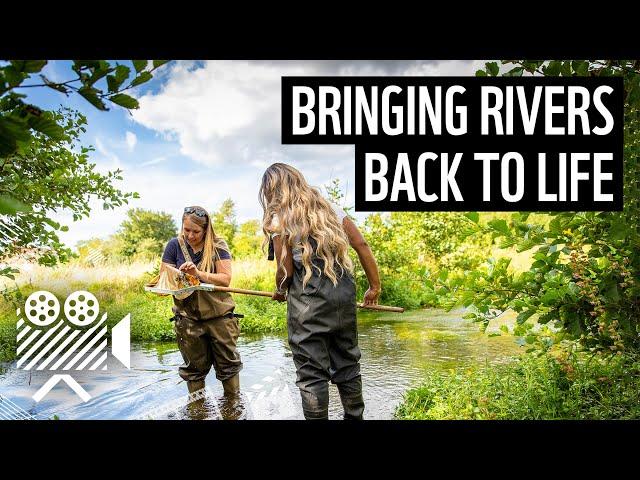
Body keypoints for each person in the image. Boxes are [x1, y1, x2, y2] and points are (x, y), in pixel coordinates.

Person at [259, 163, 382, 420]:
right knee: (348, 365)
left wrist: (279, 290)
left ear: (271, 190)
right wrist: (374, 287)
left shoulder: (279, 219)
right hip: (343, 297)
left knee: (312, 374)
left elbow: (286, 271)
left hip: (308, 306)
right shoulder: (330, 208)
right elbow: (362, 244)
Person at [161, 206, 243, 399]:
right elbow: (164, 279)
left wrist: (197, 275)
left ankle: (233, 409)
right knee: (194, 371)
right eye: (186, 230)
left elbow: (225, 279)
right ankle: (198, 411)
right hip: (188, 320)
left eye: (196, 231)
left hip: (220, 318)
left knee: (228, 367)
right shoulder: (174, 246)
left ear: (206, 230)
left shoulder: (218, 245)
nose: (190, 235)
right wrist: (177, 280)